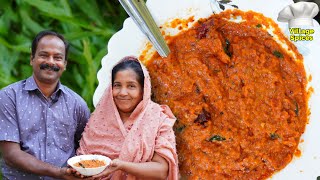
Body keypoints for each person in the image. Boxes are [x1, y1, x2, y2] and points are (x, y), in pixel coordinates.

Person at [0, 30, 90, 179]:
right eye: (44, 55)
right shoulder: (9, 97)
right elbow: (11, 154)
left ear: (65, 64)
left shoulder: (77, 104)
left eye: (58, 57)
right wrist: (58, 172)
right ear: (32, 59)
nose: (51, 61)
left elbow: (86, 148)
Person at [77, 56, 179, 179]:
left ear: (143, 90)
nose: (123, 92)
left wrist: (122, 166)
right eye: (117, 85)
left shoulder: (158, 120)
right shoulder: (99, 119)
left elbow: (162, 171)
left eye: (131, 86)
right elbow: (83, 160)